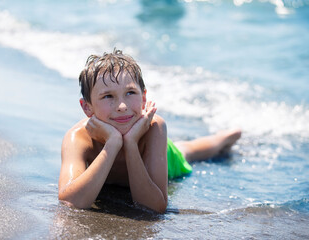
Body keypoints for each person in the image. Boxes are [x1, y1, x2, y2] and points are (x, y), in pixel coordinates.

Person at [58, 49, 241, 213]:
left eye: (130, 93)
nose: (122, 106)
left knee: (187, 151)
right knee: (185, 147)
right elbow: (70, 201)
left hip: (167, 156)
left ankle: (224, 138)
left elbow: (155, 207)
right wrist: (113, 143)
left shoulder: (153, 127)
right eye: (108, 96)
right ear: (87, 107)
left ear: (144, 97)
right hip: (139, 147)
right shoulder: (78, 137)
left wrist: (131, 144)